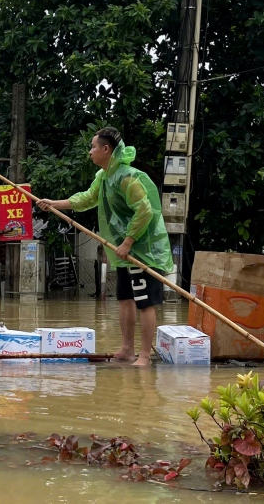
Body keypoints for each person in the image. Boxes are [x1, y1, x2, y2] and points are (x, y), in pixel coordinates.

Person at [37, 127, 173, 366]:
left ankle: (144, 355)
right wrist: (53, 203)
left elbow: (145, 210)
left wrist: (129, 242)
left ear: (106, 149)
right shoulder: (104, 177)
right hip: (122, 251)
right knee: (124, 298)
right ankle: (127, 349)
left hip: (141, 251)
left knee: (145, 302)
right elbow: (87, 198)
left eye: (93, 147)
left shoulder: (127, 177)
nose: (90, 152)